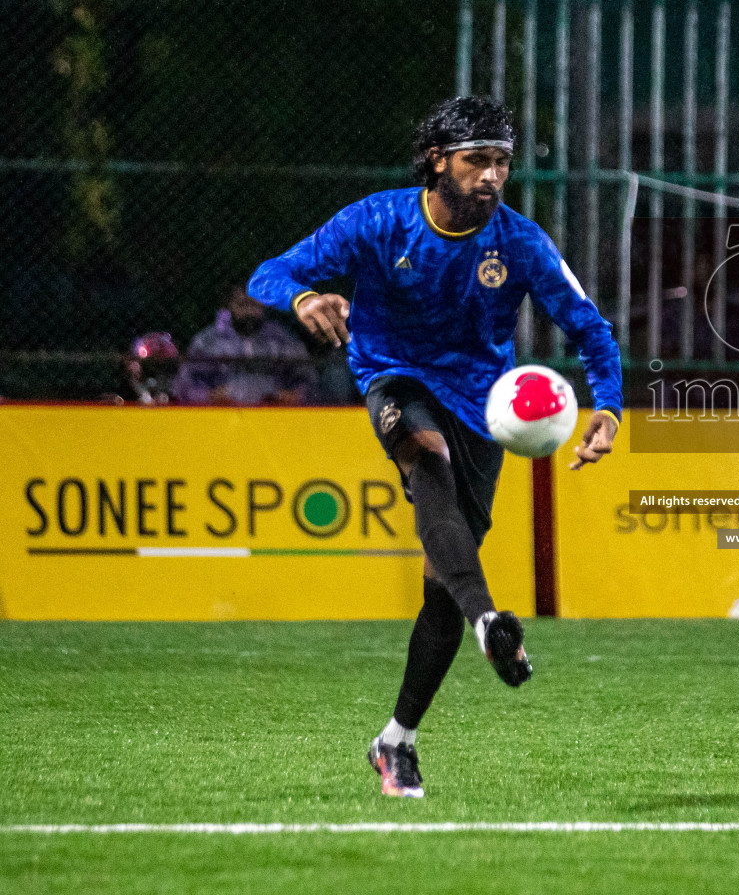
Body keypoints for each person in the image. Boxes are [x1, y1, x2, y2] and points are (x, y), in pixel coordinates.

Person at [247, 96, 623, 799]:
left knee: (442, 585)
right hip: (393, 376)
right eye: (476, 159)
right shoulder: (380, 221)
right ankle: (491, 619)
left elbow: (589, 327)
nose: (491, 176)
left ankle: (397, 741)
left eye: (502, 161)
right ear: (436, 162)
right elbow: (270, 272)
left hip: (486, 405)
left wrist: (609, 407)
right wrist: (302, 299)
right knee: (428, 466)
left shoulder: (519, 242)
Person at [172, 286, 316, 406]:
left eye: (254, 305)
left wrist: (293, 396)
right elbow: (183, 387)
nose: (249, 312)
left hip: (273, 416)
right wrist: (210, 396)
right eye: (242, 305)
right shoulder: (208, 341)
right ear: (229, 306)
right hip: (219, 417)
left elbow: (309, 382)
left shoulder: (282, 340)